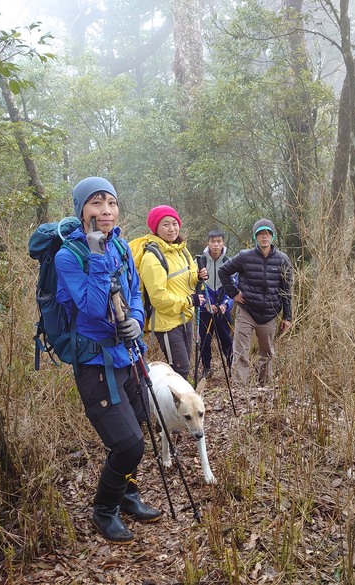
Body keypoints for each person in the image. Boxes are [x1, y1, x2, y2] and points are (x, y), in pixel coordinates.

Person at [55, 176, 161, 544]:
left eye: (111, 203)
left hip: (127, 356)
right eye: (96, 203)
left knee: (139, 424)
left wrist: (136, 320)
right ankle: (104, 509)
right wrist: (97, 255)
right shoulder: (68, 256)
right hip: (95, 364)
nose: (106, 211)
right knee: (129, 445)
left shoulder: (121, 246)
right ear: (81, 210)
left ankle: (127, 493)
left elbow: (135, 292)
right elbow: (92, 308)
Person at [218, 218, 292, 388]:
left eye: (268, 233)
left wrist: (287, 317)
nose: (264, 237)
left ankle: (265, 388)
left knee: (267, 354)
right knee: (240, 352)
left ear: (273, 236)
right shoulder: (244, 256)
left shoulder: (282, 259)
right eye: (260, 234)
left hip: (269, 313)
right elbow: (223, 271)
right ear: (255, 237)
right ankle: (239, 389)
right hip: (246, 310)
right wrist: (234, 294)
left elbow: (287, 290)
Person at [135, 205, 207, 380]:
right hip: (167, 323)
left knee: (184, 368)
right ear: (155, 228)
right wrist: (190, 301)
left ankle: (185, 397)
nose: (172, 228)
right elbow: (158, 298)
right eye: (165, 224)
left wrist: (198, 277)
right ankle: (174, 398)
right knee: (180, 370)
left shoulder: (181, 250)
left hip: (186, 317)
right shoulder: (152, 257)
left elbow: (188, 279)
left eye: (174, 223)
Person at [197, 229, 235, 379]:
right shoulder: (199, 262)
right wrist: (205, 304)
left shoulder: (229, 262)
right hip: (205, 309)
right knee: (205, 340)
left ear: (223, 243)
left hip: (222, 309)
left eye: (219, 241)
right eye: (213, 241)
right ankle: (206, 368)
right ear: (208, 243)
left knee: (226, 339)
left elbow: (233, 287)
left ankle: (232, 367)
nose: (216, 245)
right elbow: (194, 286)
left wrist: (225, 305)